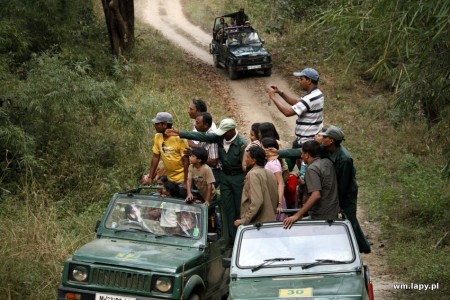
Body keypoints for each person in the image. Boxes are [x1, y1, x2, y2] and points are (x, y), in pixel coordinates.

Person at [166, 118, 248, 244]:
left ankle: (241, 240)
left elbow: (247, 164)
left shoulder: (242, 143)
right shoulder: (219, 137)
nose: (222, 134)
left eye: (225, 132)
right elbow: (202, 136)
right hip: (225, 176)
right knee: (227, 208)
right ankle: (229, 240)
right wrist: (181, 133)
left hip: (238, 177)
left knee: (239, 209)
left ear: (232, 131)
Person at [319, 125, 371, 253]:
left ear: (331, 140)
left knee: (350, 218)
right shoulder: (325, 148)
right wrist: (280, 153)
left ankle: (362, 246)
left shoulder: (345, 159)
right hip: (337, 187)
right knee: (348, 219)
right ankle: (359, 245)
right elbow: (305, 151)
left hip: (347, 192)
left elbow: (344, 183)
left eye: (325, 137)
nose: (322, 138)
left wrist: (338, 201)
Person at [283, 140, 340, 229]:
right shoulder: (328, 163)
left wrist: (297, 215)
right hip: (333, 212)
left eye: (302, 153)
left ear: (307, 155)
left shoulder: (312, 169)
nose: (301, 156)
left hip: (320, 216)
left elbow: (316, 195)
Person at [266, 68, 324, 146]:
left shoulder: (310, 98)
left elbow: (287, 112)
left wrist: (273, 97)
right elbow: (297, 102)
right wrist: (280, 92)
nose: (299, 81)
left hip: (307, 141)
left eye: (301, 79)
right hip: (310, 137)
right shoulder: (318, 94)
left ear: (309, 81)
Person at [234, 146, 278, 226]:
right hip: (270, 222)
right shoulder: (270, 173)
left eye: (248, 157)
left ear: (254, 160)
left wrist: (244, 220)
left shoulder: (252, 174)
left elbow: (257, 201)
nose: (246, 160)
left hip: (257, 225)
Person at [142, 112, 189, 186]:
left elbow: (186, 161)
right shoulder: (158, 136)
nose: (155, 126)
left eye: (157, 124)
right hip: (169, 179)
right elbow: (155, 157)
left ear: (164, 125)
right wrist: (150, 177)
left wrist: (186, 182)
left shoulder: (180, 139)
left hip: (181, 179)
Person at [261, 137, 287, 221]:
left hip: (275, 199)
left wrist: (279, 203)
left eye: (262, 148)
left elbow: (280, 183)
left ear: (269, 150)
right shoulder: (272, 162)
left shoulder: (272, 165)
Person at [194, 112, 221, 187]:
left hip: (213, 172)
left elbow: (214, 162)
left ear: (206, 125)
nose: (195, 125)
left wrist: (198, 159)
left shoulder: (211, 138)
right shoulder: (203, 134)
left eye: (198, 123)